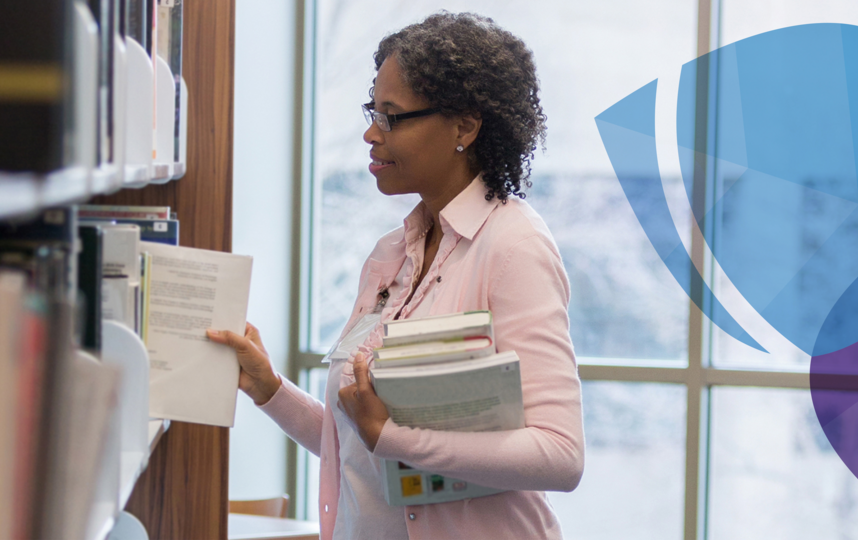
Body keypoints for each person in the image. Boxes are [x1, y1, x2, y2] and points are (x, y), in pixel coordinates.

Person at [208, 12, 584, 540]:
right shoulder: (392, 253)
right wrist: (270, 389)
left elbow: (560, 455)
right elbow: (363, 443)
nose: (370, 132)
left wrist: (395, 436)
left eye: (392, 116)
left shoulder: (513, 246)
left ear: (465, 127)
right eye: (372, 111)